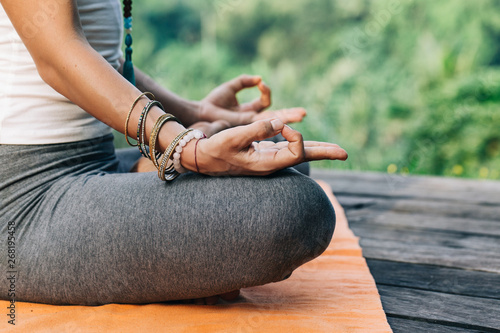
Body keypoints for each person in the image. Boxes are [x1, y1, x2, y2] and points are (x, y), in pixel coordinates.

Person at [0, 0, 347, 306]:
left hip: (92, 161)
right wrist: (186, 145)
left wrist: (196, 114)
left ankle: (173, 254)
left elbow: (104, 61)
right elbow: (57, 53)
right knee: (295, 207)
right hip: (21, 198)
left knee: (276, 164)